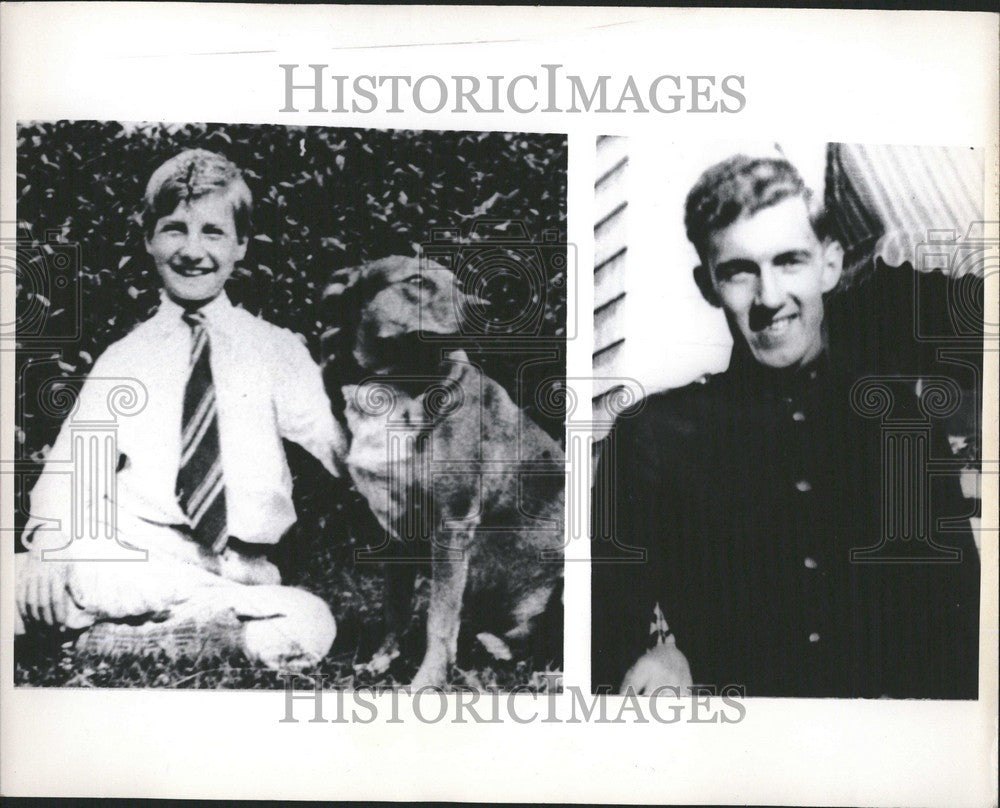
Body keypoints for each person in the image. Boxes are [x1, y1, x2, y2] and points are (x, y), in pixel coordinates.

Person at [591, 155, 982, 698]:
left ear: (830, 266)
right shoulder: (653, 435)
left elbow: (962, 624)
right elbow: (600, 621)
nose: (769, 298)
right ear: (708, 285)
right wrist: (658, 651)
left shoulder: (901, 422)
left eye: (789, 262)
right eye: (739, 271)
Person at [15, 149, 347, 671]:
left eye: (213, 232)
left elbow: (340, 447)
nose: (193, 250)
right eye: (174, 229)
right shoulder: (126, 356)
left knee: (309, 624)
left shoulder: (277, 350)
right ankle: (188, 632)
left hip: (236, 569)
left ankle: (102, 639)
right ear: (149, 239)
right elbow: (75, 467)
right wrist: (47, 553)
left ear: (240, 245)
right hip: (136, 552)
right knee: (40, 574)